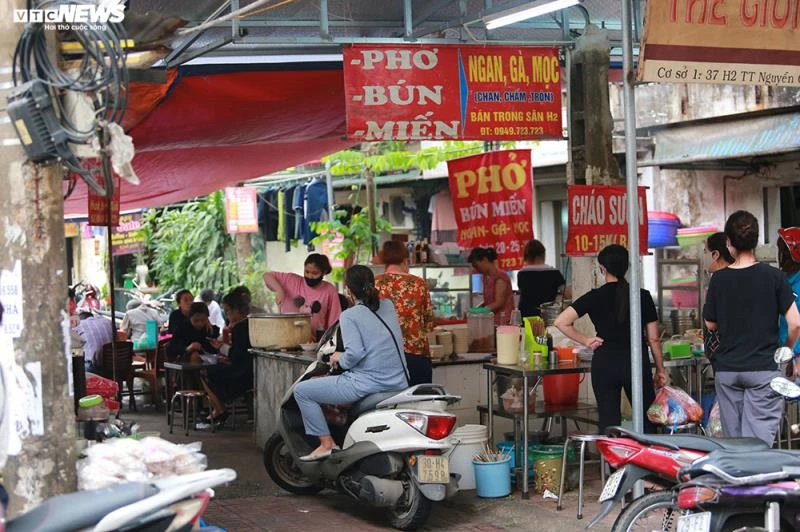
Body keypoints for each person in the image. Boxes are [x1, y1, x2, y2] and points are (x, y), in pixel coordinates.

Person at [293, 265, 409, 461]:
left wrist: (339, 358)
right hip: (399, 382)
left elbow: (354, 354)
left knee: (302, 391)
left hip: (369, 383)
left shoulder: (349, 315)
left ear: (348, 289)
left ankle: (326, 444)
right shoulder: (388, 305)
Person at [704, 211, 800, 445]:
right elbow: (795, 323)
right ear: (756, 241)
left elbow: (710, 323)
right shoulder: (775, 277)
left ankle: (735, 481)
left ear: (729, 242)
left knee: (734, 445)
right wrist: (785, 350)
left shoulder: (718, 279)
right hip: (763, 370)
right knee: (756, 446)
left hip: (727, 371)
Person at [554, 244, 668, 434]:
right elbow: (654, 339)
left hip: (605, 362)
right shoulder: (642, 296)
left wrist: (586, 340)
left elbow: (561, 322)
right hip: (635, 362)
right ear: (627, 267)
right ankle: (645, 463)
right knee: (647, 420)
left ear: (602, 269)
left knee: (608, 421)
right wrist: (661, 369)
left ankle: (611, 464)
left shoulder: (594, 296)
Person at [375, 241, 435, 385]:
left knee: (389, 403)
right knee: (419, 400)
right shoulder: (419, 283)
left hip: (384, 353)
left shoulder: (375, 283)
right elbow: (429, 322)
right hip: (416, 353)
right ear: (405, 258)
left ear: (384, 259)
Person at [203, 288, 254, 426]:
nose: (227, 315)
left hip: (243, 373)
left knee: (206, 371)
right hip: (248, 369)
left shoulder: (240, 328)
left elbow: (237, 354)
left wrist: (220, 347)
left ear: (237, 310)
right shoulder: (250, 324)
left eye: (228, 311)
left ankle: (219, 409)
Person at [263, 253, 342, 339]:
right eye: (307, 272)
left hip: (313, 342)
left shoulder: (329, 290)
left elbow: (334, 323)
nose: (310, 276)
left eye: (315, 273)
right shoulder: (291, 280)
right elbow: (267, 276)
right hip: (286, 337)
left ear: (324, 272)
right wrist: (279, 290)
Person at [517, 239, 569, 318]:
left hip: (526, 314)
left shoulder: (522, 274)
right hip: (547, 314)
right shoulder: (554, 273)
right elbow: (566, 293)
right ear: (543, 254)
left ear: (526, 256)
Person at [468, 247, 514, 325]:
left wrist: (481, 311)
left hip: (503, 321)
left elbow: (499, 302)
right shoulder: (485, 277)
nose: (476, 269)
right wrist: (477, 309)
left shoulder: (500, 277)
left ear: (485, 260)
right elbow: (488, 301)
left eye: (476, 265)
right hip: (491, 320)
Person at [778, 228, 800, 357]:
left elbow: (796, 325)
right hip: (786, 351)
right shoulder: (784, 280)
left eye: (782, 251)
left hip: (794, 355)